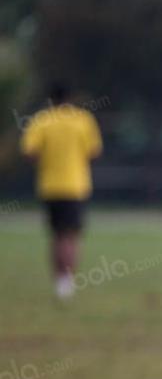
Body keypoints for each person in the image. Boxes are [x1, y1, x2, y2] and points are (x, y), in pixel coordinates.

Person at [19, 82, 102, 300]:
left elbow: (29, 152)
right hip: (76, 186)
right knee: (71, 236)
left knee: (56, 235)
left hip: (49, 186)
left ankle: (58, 280)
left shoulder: (42, 120)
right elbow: (94, 151)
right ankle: (67, 281)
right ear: (70, 98)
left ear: (51, 100)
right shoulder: (83, 120)